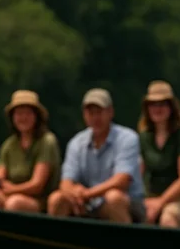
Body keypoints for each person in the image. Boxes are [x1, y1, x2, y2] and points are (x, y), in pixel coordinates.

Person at [46, 88, 145, 223]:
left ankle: (127, 242)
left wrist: (88, 194)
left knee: (113, 198)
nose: (95, 117)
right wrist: (74, 194)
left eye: (99, 112)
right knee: (57, 199)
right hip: (86, 202)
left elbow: (121, 181)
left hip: (127, 202)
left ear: (110, 112)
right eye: (90, 113)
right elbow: (66, 181)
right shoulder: (76, 142)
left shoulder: (127, 138)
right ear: (84, 115)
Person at [138, 80, 180, 228]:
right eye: (153, 104)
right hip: (154, 196)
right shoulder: (144, 136)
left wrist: (160, 203)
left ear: (171, 107)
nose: (157, 109)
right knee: (135, 213)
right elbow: (138, 174)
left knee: (168, 217)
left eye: (162, 104)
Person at [0, 90, 61, 213]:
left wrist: (12, 190)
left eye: (28, 113)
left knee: (14, 203)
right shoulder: (9, 144)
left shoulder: (47, 141)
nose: (23, 118)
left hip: (40, 200)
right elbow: (0, 176)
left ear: (36, 116)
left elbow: (37, 185)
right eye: (19, 114)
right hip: (9, 194)